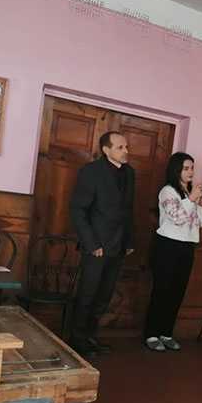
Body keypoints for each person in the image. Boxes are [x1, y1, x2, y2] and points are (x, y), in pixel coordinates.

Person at [69, 131, 135, 357]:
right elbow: (78, 210)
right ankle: (76, 340)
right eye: (120, 147)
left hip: (118, 246)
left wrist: (129, 240)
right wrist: (91, 243)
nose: (126, 151)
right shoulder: (90, 171)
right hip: (96, 246)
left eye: (126, 147)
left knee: (104, 296)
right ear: (106, 150)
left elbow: (128, 210)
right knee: (87, 295)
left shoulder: (130, 173)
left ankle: (90, 337)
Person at [143, 153, 202, 352]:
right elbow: (178, 217)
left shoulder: (189, 192)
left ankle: (166, 333)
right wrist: (191, 199)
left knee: (177, 292)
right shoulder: (167, 191)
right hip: (167, 246)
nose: (191, 172)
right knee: (161, 291)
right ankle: (151, 334)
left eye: (192, 168)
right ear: (176, 169)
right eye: (186, 168)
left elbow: (199, 222)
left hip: (187, 246)